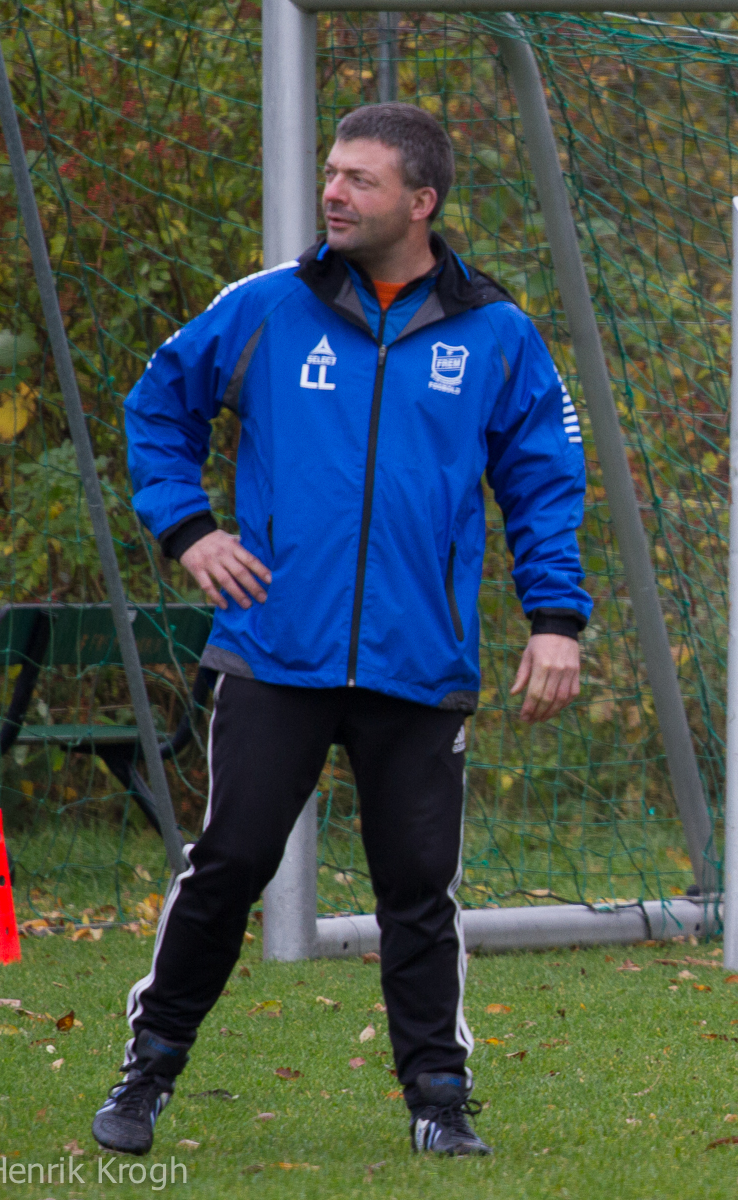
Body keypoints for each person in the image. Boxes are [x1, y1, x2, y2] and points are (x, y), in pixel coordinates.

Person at [91, 102, 591, 1160]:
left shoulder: (498, 334)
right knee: (230, 862)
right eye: (330, 172)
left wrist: (555, 621)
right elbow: (155, 408)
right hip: (277, 647)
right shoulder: (266, 306)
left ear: (421, 201)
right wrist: (188, 530)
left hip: (419, 660)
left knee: (416, 890)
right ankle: (147, 1074)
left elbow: (545, 485)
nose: (333, 192)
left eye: (360, 179)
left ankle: (439, 1102)